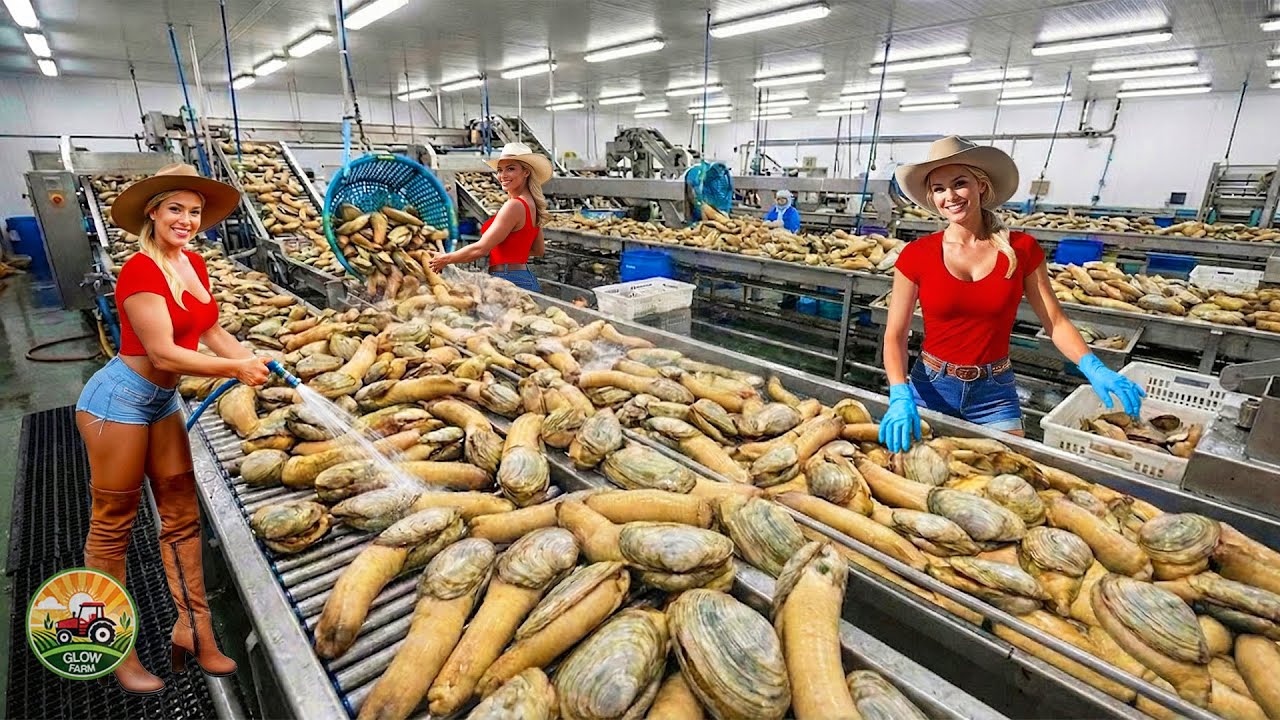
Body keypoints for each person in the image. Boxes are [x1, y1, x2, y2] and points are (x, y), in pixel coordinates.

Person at [77, 163, 271, 693]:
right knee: (111, 529)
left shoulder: (194, 265)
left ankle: (196, 632)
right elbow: (163, 353)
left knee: (182, 519)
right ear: (153, 213)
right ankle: (115, 651)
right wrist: (234, 370)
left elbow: (209, 330)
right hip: (116, 403)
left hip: (160, 404)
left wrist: (258, 362)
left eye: (194, 211)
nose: (187, 220)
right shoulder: (140, 270)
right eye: (176, 210)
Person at [878, 136, 1144, 452]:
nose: (950, 196)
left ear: (981, 186)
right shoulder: (917, 254)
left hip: (993, 393)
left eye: (959, 183)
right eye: (938, 188)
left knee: (1007, 478)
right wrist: (898, 391)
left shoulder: (1021, 250)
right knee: (923, 479)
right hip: (931, 386)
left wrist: (1093, 367)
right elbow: (895, 334)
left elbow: (1056, 323)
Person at [429, 141, 550, 292]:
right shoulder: (532, 204)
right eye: (500, 170)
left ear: (526, 172)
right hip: (522, 277)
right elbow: (538, 250)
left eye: (510, 169)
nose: (502, 175)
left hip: (507, 280)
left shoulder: (514, 206)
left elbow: (481, 249)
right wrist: (506, 253)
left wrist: (445, 259)